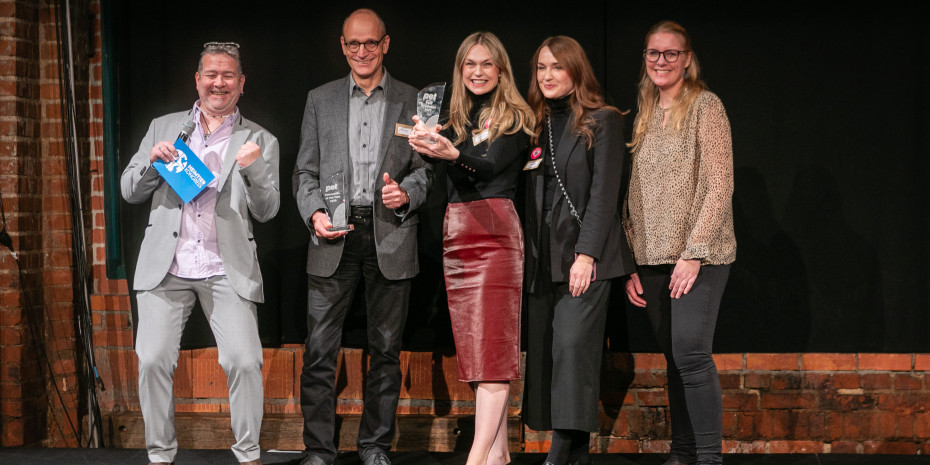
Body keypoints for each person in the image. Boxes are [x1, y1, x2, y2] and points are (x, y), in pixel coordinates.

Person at [120, 42, 278, 465]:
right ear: (197, 79)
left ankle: (248, 455)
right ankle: (160, 455)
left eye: (228, 76)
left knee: (245, 362)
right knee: (152, 359)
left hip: (226, 268)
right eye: (211, 74)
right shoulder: (163, 127)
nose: (219, 83)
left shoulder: (260, 139)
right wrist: (153, 162)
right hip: (166, 267)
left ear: (241, 84)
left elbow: (268, 210)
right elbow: (129, 190)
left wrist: (254, 168)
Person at [292, 9, 431, 465]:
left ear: (386, 44)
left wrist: (405, 193)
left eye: (370, 43)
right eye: (353, 44)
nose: (362, 52)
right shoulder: (321, 99)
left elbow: (426, 171)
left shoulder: (414, 100)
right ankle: (318, 449)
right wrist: (313, 211)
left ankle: (374, 446)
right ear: (342, 46)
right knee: (319, 351)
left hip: (390, 235)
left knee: (386, 350)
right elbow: (304, 171)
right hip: (333, 235)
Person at [408, 32, 533, 465]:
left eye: (486, 64)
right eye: (469, 65)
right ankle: (497, 457)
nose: (477, 72)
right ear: (460, 70)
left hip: (495, 234)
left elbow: (488, 166)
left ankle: (476, 458)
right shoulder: (454, 118)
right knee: (477, 354)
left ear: (501, 70)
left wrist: (449, 153)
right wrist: (427, 147)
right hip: (457, 234)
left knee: (493, 353)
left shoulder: (516, 116)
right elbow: (448, 170)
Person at [623, 20, 736, 465]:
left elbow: (719, 184)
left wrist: (693, 253)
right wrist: (632, 260)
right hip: (651, 257)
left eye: (671, 53)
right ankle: (684, 451)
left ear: (687, 58)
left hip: (699, 256)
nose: (662, 61)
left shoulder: (706, 107)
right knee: (674, 357)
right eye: (654, 53)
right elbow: (633, 190)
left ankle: (708, 457)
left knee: (690, 351)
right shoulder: (644, 111)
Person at [522, 36, 634, 465]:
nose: (547, 76)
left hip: (585, 258)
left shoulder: (602, 120)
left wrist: (586, 255)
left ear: (575, 71)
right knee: (551, 356)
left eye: (557, 67)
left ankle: (560, 452)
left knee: (571, 349)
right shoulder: (533, 122)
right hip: (541, 260)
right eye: (541, 68)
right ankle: (576, 453)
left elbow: (605, 194)